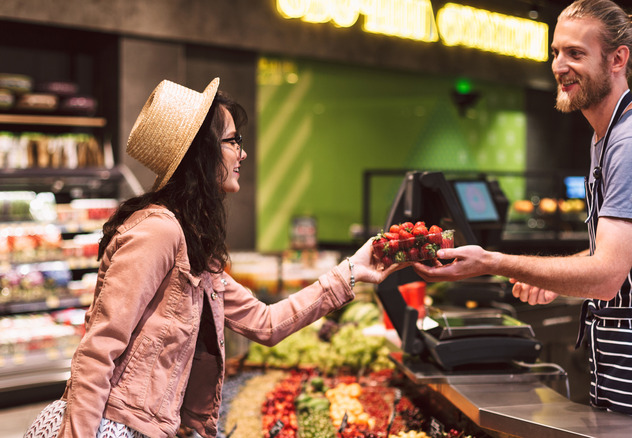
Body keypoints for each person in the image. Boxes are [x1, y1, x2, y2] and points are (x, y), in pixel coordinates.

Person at [24, 78, 402, 438]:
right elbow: (98, 349)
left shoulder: (190, 241)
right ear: (200, 152)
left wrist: (353, 270)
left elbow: (265, 322)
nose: (243, 152)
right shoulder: (158, 231)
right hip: (110, 426)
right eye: (233, 140)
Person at [414, 0, 632, 432]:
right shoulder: (604, 138)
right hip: (623, 346)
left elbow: (608, 274)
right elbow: (617, 254)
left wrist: (492, 262)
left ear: (617, 60)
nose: (559, 65)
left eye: (576, 53)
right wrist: (551, 276)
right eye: (556, 52)